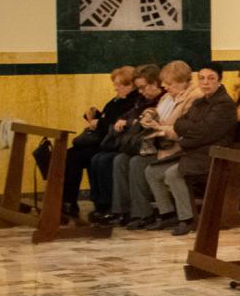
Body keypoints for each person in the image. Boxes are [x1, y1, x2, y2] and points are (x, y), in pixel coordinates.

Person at [159, 62, 238, 235]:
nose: (205, 83)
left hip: (214, 156)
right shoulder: (201, 102)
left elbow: (204, 133)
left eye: (211, 78)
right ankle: (168, 215)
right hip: (196, 151)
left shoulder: (224, 105)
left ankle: (187, 219)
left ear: (219, 80)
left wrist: (185, 138)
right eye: (201, 78)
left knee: (173, 173)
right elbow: (180, 122)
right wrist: (189, 131)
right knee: (152, 172)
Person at [128, 60, 200, 230]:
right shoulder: (170, 96)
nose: (165, 87)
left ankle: (182, 217)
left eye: (169, 83)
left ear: (182, 81)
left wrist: (158, 127)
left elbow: (181, 126)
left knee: (147, 167)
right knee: (141, 166)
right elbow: (158, 110)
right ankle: (165, 214)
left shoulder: (193, 97)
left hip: (178, 149)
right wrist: (149, 114)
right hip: (163, 145)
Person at [65, 66, 137, 222]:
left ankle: (103, 203)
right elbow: (108, 118)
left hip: (112, 143)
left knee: (96, 158)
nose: (115, 87)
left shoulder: (132, 102)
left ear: (131, 85)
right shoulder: (115, 101)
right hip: (104, 140)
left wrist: (99, 123)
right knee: (71, 154)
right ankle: (68, 200)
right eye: (115, 83)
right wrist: (95, 116)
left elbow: (116, 125)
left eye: (119, 84)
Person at [92, 65, 158, 225]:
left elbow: (143, 122)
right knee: (118, 159)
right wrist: (128, 121)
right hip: (137, 144)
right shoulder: (142, 100)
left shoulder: (159, 101)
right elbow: (128, 116)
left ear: (155, 84)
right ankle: (121, 210)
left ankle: (142, 213)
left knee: (132, 161)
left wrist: (129, 122)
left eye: (142, 87)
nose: (140, 91)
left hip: (154, 147)